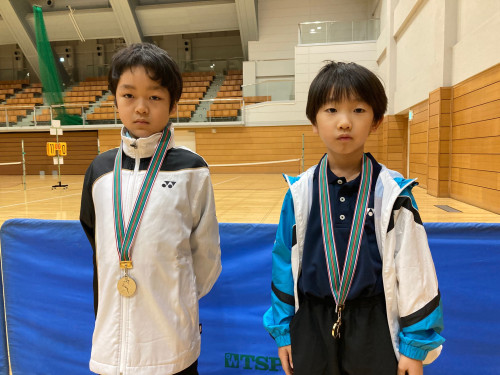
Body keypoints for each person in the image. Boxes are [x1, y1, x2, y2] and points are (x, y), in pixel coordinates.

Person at [263, 61, 444, 375]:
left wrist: (415, 347)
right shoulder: (299, 193)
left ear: (376, 120)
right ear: (314, 121)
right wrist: (283, 331)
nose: (344, 122)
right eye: (331, 110)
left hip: (373, 327)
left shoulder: (394, 194)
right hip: (312, 325)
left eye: (358, 110)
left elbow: (417, 272)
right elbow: (283, 265)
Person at [80, 43, 221, 375]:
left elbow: (207, 259)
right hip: (111, 346)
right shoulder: (100, 171)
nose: (141, 107)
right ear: (114, 99)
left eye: (154, 97)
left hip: (171, 346)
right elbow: (97, 243)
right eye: (129, 95)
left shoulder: (192, 170)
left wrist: (175, 298)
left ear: (172, 104)